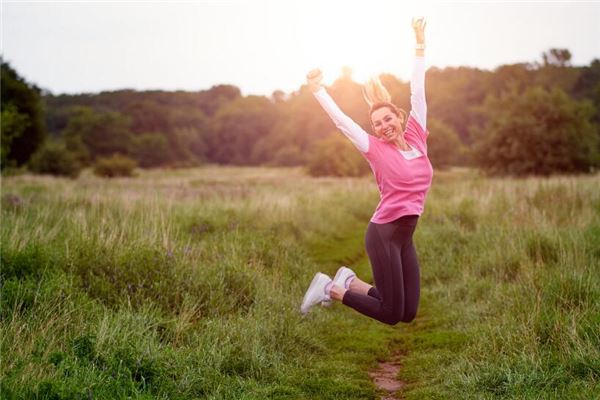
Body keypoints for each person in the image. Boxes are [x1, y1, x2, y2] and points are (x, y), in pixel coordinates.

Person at [300, 17, 433, 326]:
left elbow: (418, 90)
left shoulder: (417, 136)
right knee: (390, 313)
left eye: (388, 120)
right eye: (377, 124)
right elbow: (343, 121)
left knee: (407, 313)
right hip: (383, 234)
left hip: (405, 237)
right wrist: (318, 90)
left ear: (399, 117)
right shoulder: (375, 149)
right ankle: (330, 288)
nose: (384, 127)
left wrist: (419, 44)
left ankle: (351, 282)